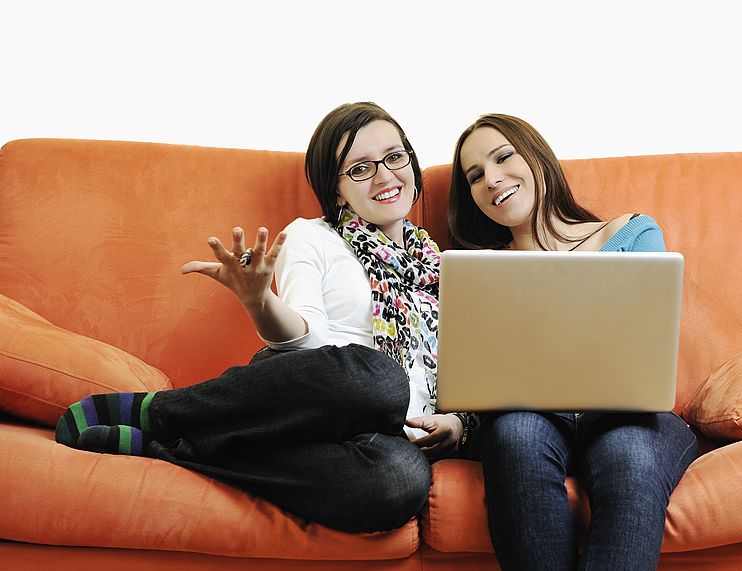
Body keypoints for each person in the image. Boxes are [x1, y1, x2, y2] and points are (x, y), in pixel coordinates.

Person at [54, 101, 464, 534]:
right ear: (336, 188)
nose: (384, 176)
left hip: (382, 434)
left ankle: (171, 448)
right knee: (382, 379)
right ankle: (161, 412)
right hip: (312, 389)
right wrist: (259, 302)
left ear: (412, 165)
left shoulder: (446, 270)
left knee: (401, 480)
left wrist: (457, 423)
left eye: (394, 157)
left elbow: (468, 374)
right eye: (360, 168)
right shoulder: (313, 236)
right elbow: (311, 340)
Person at [449, 113, 699, 571]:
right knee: (515, 436)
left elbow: (649, 345)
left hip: (628, 414)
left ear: (538, 157)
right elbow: (479, 374)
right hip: (533, 417)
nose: (492, 180)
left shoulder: (631, 232)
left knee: (631, 455)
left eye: (503, 158)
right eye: (475, 176)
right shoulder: (480, 272)